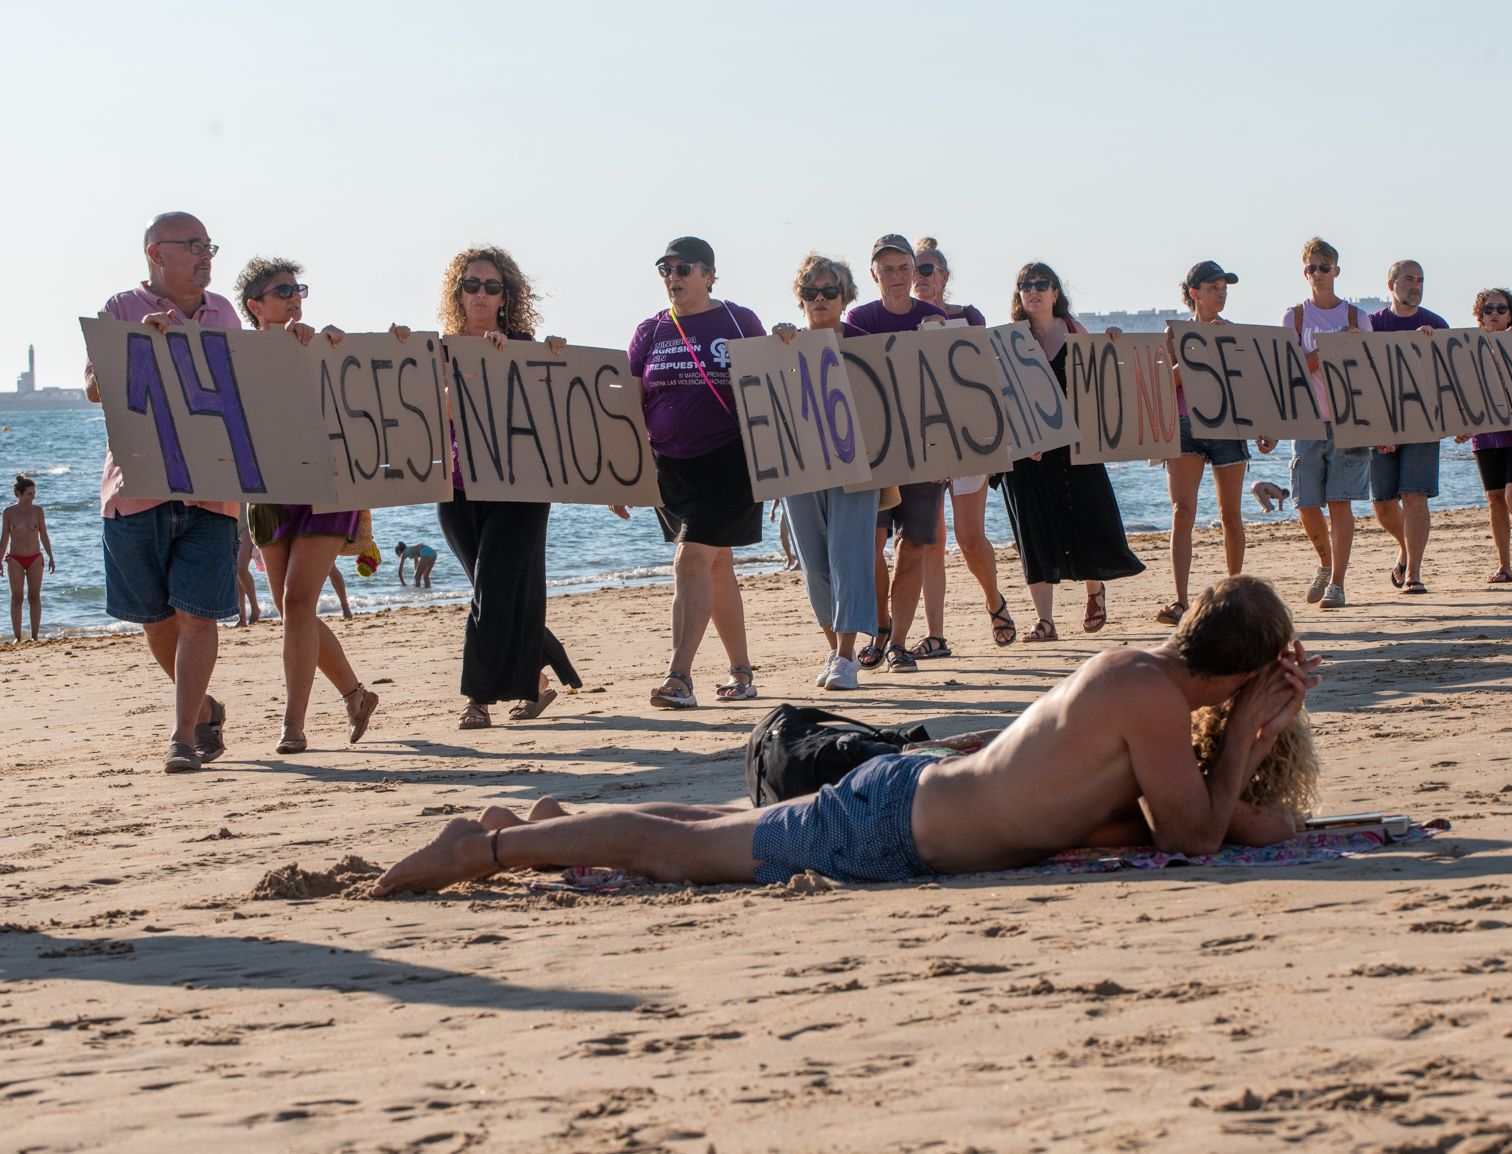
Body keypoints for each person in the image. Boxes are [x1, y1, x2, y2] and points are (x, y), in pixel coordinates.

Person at [372, 576, 1322, 896]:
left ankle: (557, 819)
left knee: (704, 828)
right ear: (1236, 678)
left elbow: (1178, 825)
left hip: (910, 802)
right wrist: (1244, 729)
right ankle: (488, 848)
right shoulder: (1152, 698)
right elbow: (1195, 837)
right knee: (684, 853)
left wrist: (1242, 753)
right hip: (895, 825)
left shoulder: (1135, 676)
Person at [86, 212, 242, 772]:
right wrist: (135, 349)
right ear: (157, 253)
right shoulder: (120, 309)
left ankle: (181, 736)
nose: (206, 255)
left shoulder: (223, 311)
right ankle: (201, 708)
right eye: (194, 245)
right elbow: (93, 390)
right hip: (140, 488)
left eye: (210, 246)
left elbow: (250, 389)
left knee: (198, 615)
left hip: (211, 488)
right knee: (156, 620)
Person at [234, 257, 380, 753]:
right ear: (255, 305)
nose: (294, 297)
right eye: (281, 291)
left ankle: (292, 725)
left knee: (297, 602)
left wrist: (330, 350)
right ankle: (356, 696)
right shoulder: (235, 353)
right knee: (290, 609)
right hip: (268, 492)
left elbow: (357, 396)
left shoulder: (321, 345)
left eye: (298, 289)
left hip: (324, 486)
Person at [433, 247, 582, 728]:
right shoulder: (437, 349)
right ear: (458, 293)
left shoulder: (524, 347)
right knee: (493, 592)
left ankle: (476, 699)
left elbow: (553, 410)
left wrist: (554, 357)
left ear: (505, 296)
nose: (480, 293)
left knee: (493, 590)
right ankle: (537, 684)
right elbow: (435, 415)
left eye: (491, 286)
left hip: (519, 488)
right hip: (456, 488)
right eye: (472, 284)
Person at [624, 237, 766, 708]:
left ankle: (679, 677)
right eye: (665, 269)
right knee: (716, 565)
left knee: (690, 560)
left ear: (708, 274)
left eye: (683, 268)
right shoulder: (650, 331)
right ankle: (742, 675)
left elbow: (772, 386)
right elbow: (628, 403)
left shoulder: (738, 321)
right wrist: (619, 474)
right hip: (670, 467)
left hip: (730, 460)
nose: (673, 277)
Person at [1000, 263, 1145, 640]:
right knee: (1033, 529)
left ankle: (1095, 589)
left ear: (1054, 291)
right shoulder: (1009, 339)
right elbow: (1001, 397)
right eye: (1026, 285)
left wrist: (1113, 343)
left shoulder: (1074, 331)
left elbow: (1107, 381)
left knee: (1089, 516)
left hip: (1076, 446)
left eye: (1041, 284)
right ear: (1019, 294)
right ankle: (1044, 620)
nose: (1033, 291)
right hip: (1028, 452)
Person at [843, 235, 951, 672]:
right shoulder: (859, 319)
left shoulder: (934, 318)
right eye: (886, 269)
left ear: (914, 271)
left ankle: (900, 644)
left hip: (926, 450)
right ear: (874, 274)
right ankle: (881, 627)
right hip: (874, 452)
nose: (895, 276)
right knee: (871, 544)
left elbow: (951, 386)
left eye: (903, 268)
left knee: (914, 548)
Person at [770, 254, 878, 691]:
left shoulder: (866, 347)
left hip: (858, 468)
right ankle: (835, 650)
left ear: (845, 297)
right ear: (800, 299)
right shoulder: (783, 348)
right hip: (801, 469)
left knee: (847, 556)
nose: (819, 299)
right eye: (810, 292)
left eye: (829, 291)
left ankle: (848, 656)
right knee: (813, 564)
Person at [910, 238, 1010, 651]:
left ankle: (995, 602)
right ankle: (935, 636)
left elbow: (988, 376)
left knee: (970, 539)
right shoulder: (899, 324)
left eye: (927, 269)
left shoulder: (968, 318)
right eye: (913, 270)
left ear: (944, 277)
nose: (919, 277)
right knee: (930, 541)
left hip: (970, 439)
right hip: (923, 441)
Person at [1156, 261, 1262, 627]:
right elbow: (1164, 386)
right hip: (1186, 426)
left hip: (1228, 426)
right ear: (1193, 293)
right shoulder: (1174, 335)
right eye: (1214, 287)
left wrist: (1265, 426)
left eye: (1224, 287)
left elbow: (1248, 387)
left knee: (1230, 515)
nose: (1222, 293)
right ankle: (1181, 600)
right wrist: (1197, 351)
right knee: (1181, 512)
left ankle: (1234, 593)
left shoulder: (1233, 334)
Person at [1284, 238, 1372, 610]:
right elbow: (1290, 371)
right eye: (1311, 268)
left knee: (1340, 502)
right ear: (1304, 273)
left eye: (1324, 267)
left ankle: (1338, 582)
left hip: (1349, 418)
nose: (1317, 274)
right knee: (1305, 502)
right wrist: (1325, 351)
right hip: (1308, 420)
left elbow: (1373, 373)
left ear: (1336, 271)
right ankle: (1324, 562)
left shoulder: (1357, 318)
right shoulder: (1295, 318)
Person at [1368, 260, 1448, 596]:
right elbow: (1363, 379)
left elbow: (1451, 378)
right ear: (1391, 284)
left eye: (1421, 280)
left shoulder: (1436, 324)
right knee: (1383, 503)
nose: (1415, 285)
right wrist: (1379, 429)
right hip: (1380, 423)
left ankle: (1414, 572)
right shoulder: (1372, 324)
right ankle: (1406, 549)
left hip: (1423, 423)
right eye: (1408, 279)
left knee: (1415, 496)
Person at [1462, 289, 1512, 584]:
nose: (1494, 313)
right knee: (1495, 499)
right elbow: (1462, 389)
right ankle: (1504, 566)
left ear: (1511, 314)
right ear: (1480, 316)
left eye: (1500, 308)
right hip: (1486, 432)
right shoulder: (1468, 348)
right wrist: (1462, 423)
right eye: (1488, 309)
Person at [1, 474, 55, 642]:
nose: (33, 496)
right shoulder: (8, 512)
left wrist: (51, 556)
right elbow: (4, 538)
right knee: (16, 598)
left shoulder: (38, 511)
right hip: (15, 559)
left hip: (35, 559)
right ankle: (18, 637)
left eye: (34, 493)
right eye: (29, 494)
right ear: (19, 494)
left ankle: (34, 636)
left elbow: (44, 535)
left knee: (34, 597)